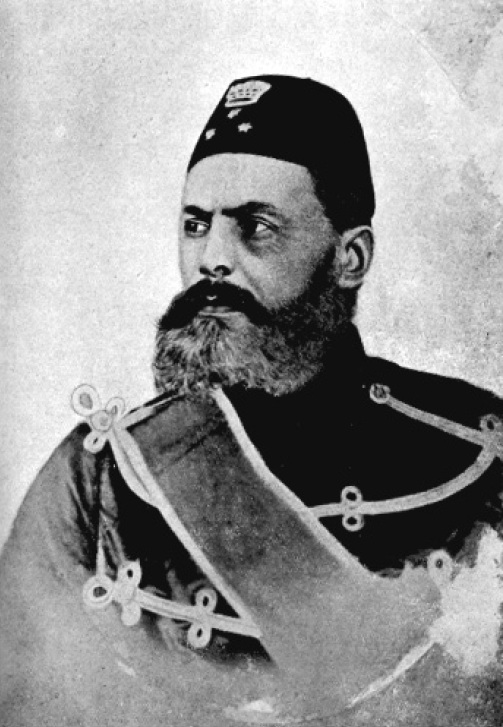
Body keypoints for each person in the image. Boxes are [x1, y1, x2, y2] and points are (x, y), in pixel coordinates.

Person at [1, 74, 502, 727]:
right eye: (195, 224)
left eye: (257, 227)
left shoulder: (479, 454)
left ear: (349, 257)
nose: (212, 258)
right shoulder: (97, 475)